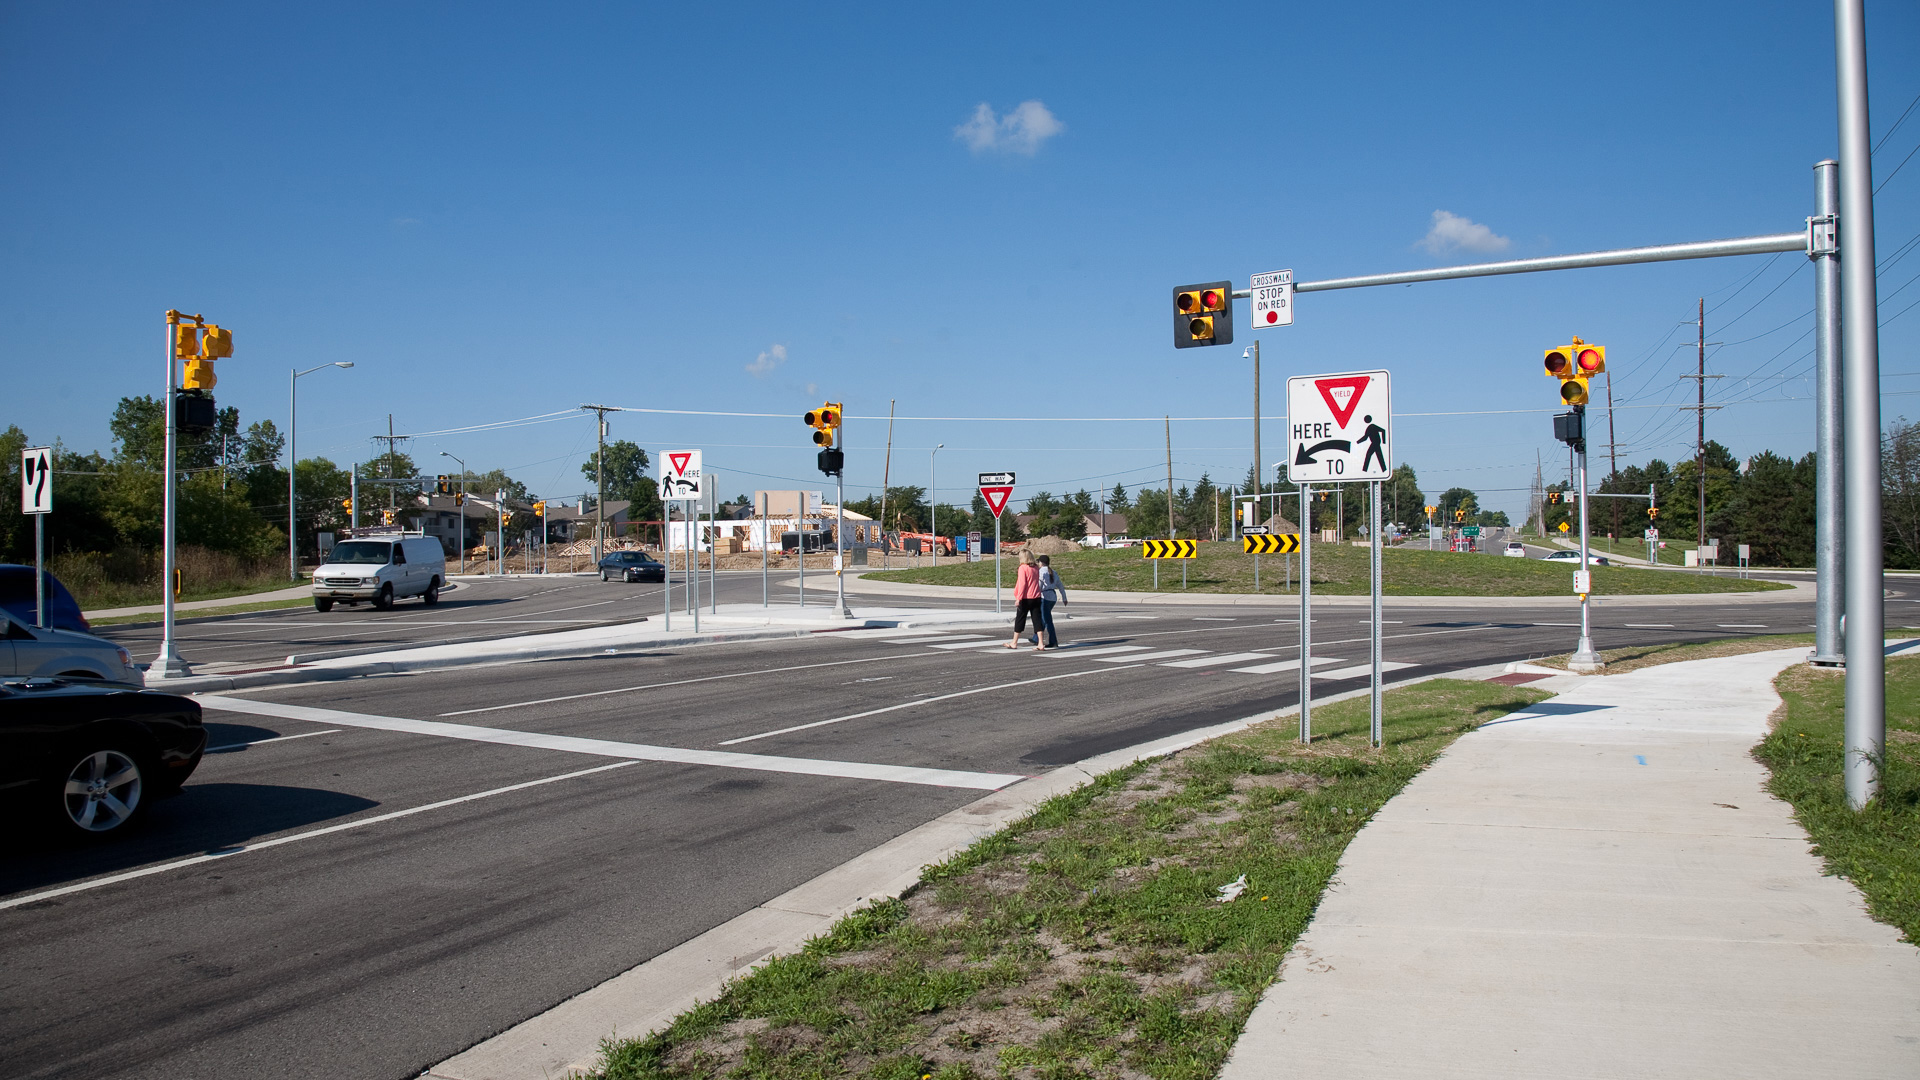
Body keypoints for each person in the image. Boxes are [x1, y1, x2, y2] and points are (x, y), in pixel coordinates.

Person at [1006, 549, 1044, 650]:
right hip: (1036, 597)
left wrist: (1018, 598)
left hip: (1026, 598)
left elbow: (1022, 584)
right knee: (1037, 620)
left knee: (1020, 619)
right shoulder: (1036, 567)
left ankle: (1014, 642)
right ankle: (1040, 643)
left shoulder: (1022, 568)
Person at [1037, 554, 1067, 649]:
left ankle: (1053, 641)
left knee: (1047, 620)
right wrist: (1064, 598)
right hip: (1052, 597)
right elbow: (1060, 586)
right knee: (1044, 618)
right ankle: (1035, 638)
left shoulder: (1041, 572)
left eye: (1039, 562)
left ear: (1041, 563)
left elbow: (1039, 585)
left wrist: (1036, 595)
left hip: (1044, 597)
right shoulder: (1053, 572)